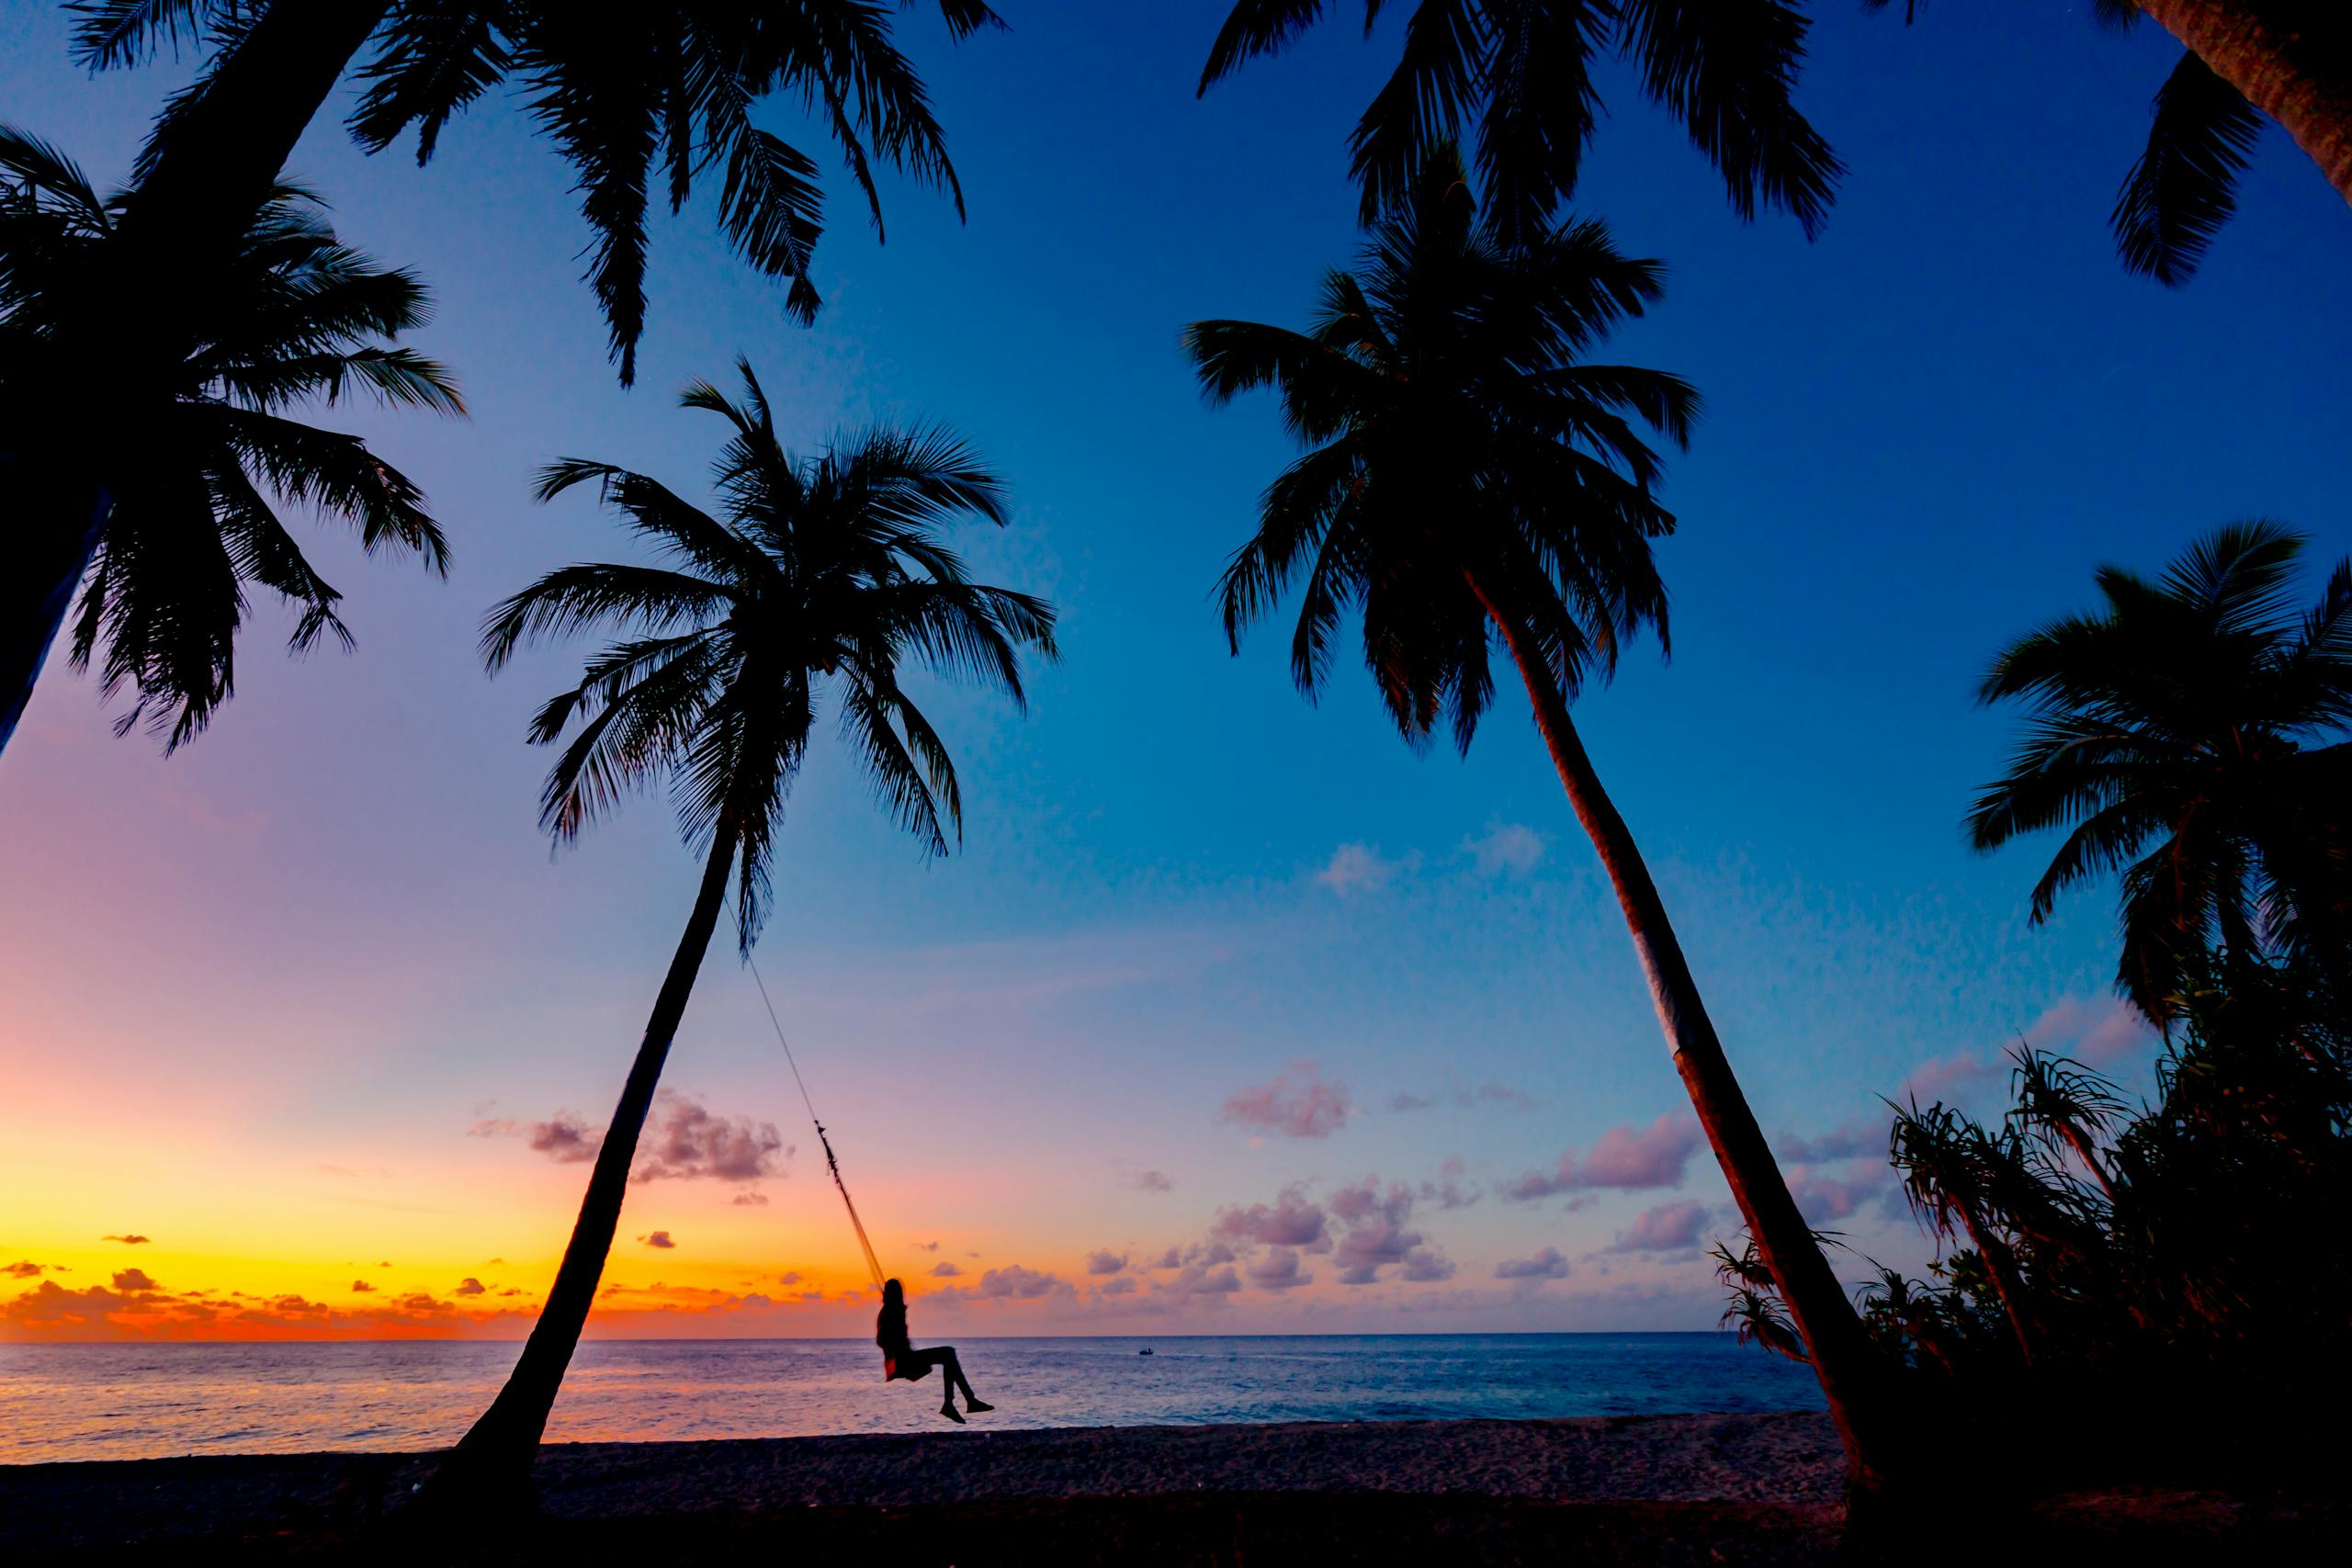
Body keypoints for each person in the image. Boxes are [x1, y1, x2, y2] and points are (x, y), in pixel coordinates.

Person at [876, 1277, 993, 1423]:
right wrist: (896, 1343)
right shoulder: (888, 1313)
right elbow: (881, 1340)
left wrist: (899, 1317)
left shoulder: (894, 1311)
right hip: (900, 1362)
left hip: (905, 1358)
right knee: (948, 1353)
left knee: (948, 1355)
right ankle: (963, 1402)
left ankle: (957, 1403)